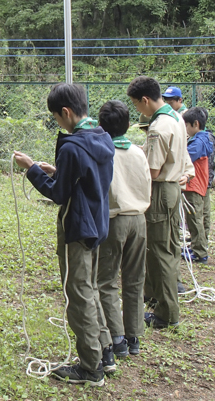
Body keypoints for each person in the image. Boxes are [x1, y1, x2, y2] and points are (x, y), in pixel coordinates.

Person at [13, 83, 115, 386]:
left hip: (78, 228)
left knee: (78, 294)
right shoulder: (102, 137)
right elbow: (86, 180)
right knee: (91, 287)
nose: (58, 123)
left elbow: (59, 195)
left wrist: (32, 169)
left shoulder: (71, 146)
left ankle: (90, 367)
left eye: (56, 118)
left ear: (66, 112)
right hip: (99, 223)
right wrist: (58, 170)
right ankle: (105, 352)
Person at [127, 76, 189, 329]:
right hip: (173, 189)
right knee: (166, 247)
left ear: (144, 100)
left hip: (161, 191)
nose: (137, 110)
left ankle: (166, 314)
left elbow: (152, 171)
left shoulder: (158, 128)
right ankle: (153, 295)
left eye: (136, 105)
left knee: (160, 252)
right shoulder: (175, 117)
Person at [97, 100, 151, 358]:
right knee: (135, 280)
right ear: (129, 125)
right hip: (139, 221)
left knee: (106, 281)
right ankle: (134, 337)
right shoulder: (139, 152)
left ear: (100, 125)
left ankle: (117, 338)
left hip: (114, 220)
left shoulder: (103, 151)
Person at [181, 107, 214, 264]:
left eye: (186, 125)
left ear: (195, 124)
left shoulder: (196, 143)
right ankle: (199, 246)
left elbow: (184, 160)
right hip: (202, 184)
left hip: (193, 185)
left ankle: (199, 252)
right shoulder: (206, 138)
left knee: (194, 219)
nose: (185, 129)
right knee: (201, 218)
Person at [200, 107, 215, 241]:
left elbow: (209, 163)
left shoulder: (207, 138)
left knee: (204, 210)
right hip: (200, 178)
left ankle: (203, 239)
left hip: (204, 178)